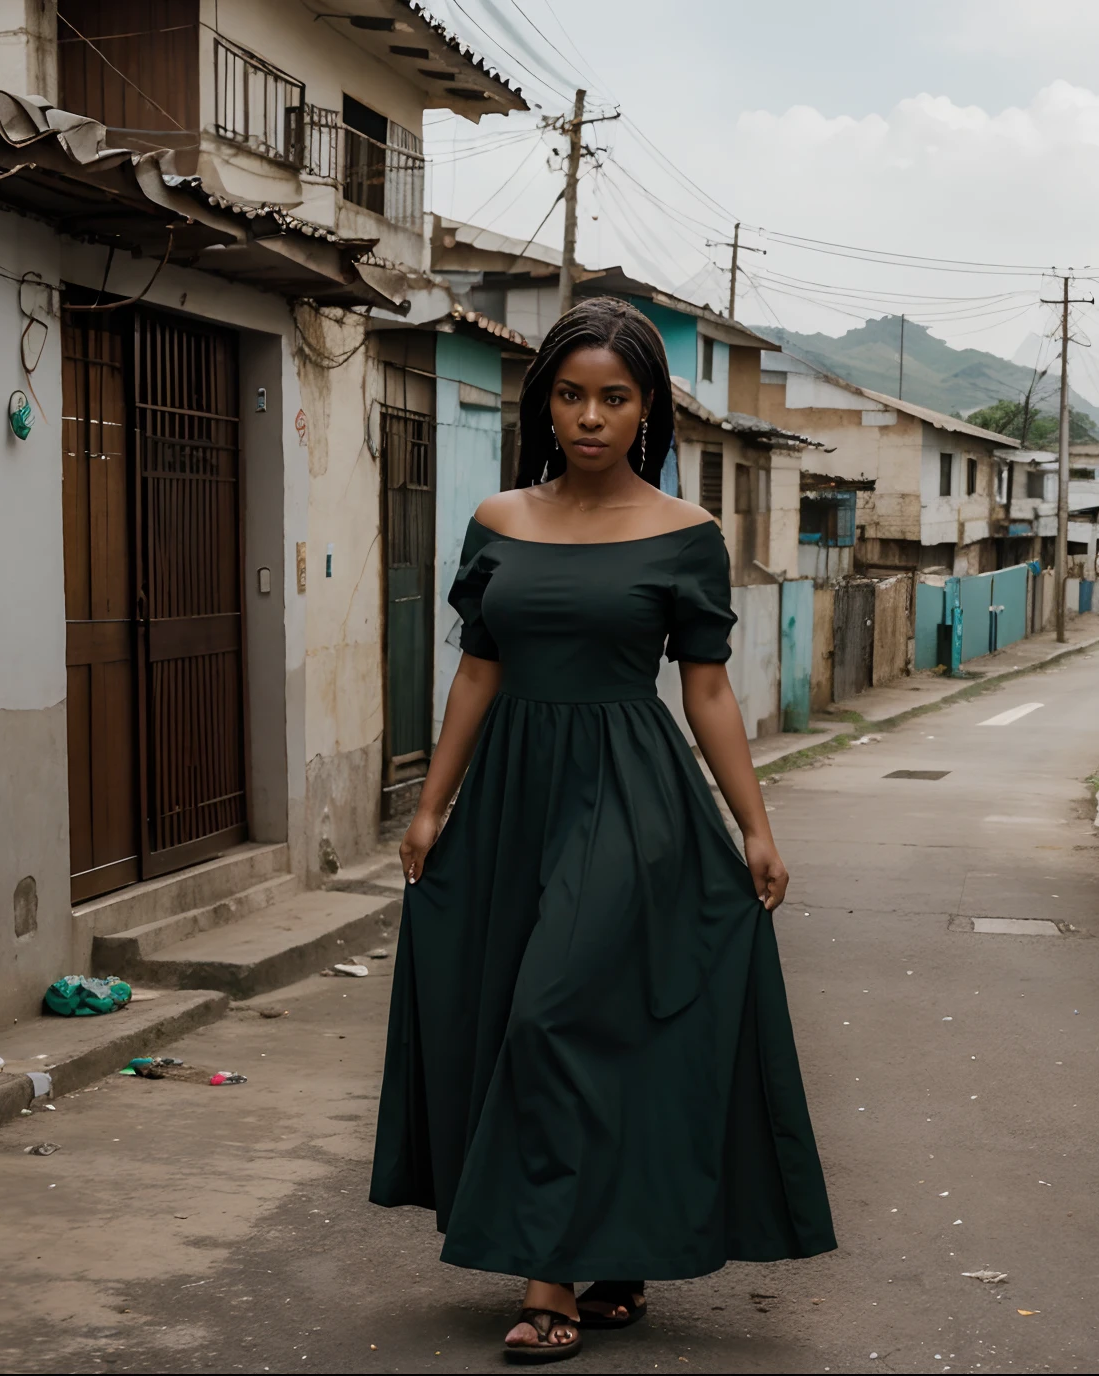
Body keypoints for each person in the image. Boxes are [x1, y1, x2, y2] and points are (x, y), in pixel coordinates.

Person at [368, 296, 836, 1362]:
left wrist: (753, 827)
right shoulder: (497, 522)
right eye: (570, 395)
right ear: (544, 405)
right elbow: (478, 667)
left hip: (631, 799)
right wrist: (432, 802)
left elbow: (707, 690)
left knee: (553, 1014)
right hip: (510, 798)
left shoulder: (687, 534)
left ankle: (548, 1283)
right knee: (531, 1015)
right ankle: (608, 1249)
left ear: (645, 412)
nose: (589, 415)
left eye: (613, 397)